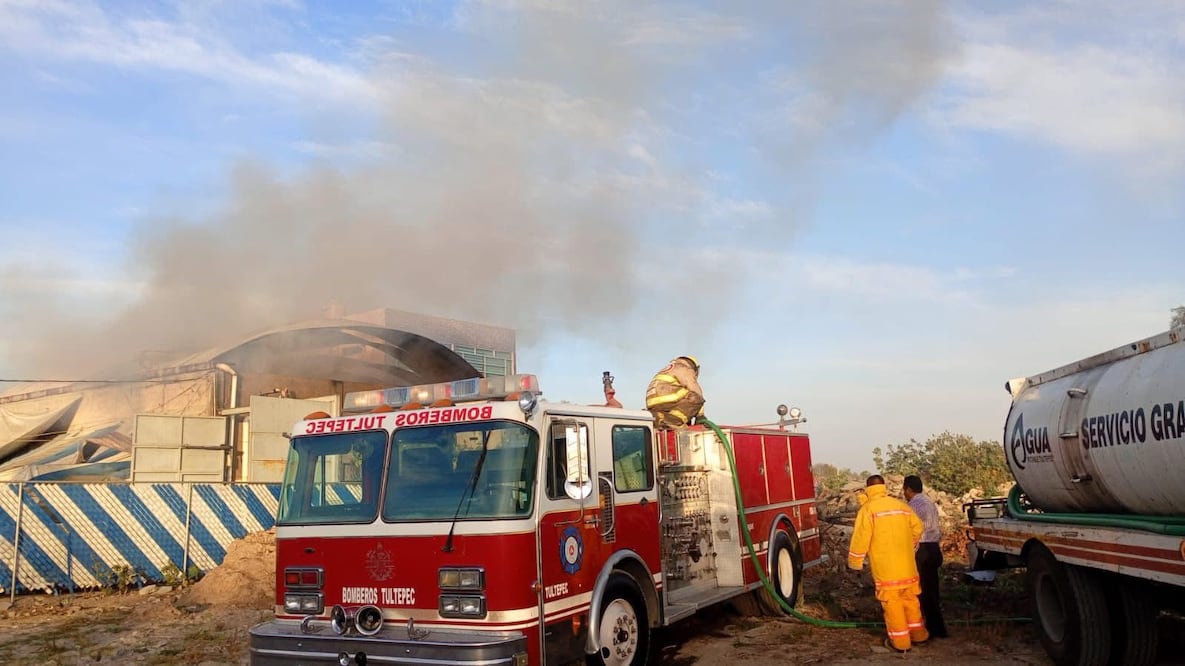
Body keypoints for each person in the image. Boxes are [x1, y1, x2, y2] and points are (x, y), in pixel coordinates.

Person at [848, 475, 929, 653]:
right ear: (883, 487)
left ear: (868, 489)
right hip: (908, 567)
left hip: (886, 571)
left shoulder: (868, 510)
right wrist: (911, 543)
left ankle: (901, 643)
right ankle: (919, 635)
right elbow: (918, 528)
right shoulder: (901, 506)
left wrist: (855, 562)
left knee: (893, 606)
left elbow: (861, 539)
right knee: (911, 601)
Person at [904, 474, 949, 638]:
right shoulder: (929, 503)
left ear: (908, 489)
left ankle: (932, 629)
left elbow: (910, 529)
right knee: (932, 590)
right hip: (933, 548)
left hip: (922, 549)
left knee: (923, 591)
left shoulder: (913, 505)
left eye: (905, 491)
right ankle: (934, 627)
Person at [644, 356, 705, 429]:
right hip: (667, 397)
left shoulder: (668, 369)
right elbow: (695, 390)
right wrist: (700, 416)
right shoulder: (685, 368)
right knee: (696, 398)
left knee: (686, 398)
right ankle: (672, 421)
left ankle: (659, 417)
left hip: (652, 402)